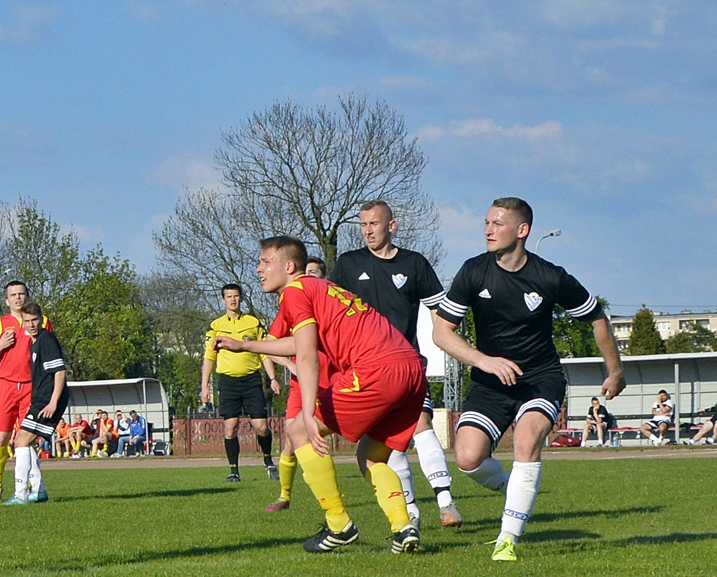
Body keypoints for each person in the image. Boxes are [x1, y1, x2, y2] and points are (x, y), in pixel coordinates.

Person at [432, 197, 625, 562]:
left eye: (498, 223)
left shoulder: (550, 276)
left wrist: (615, 372)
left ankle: (507, 540)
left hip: (540, 378)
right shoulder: (473, 271)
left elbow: (597, 318)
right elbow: (442, 332)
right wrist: (484, 361)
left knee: (526, 440)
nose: (488, 229)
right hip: (491, 382)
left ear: (522, 231)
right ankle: (515, 489)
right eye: (486, 222)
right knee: (468, 458)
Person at [217, 236, 426, 554]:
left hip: (377, 369)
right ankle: (403, 527)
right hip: (410, 370)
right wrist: (246, 345)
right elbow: (301, 343)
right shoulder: (319, 288)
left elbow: (307, 356)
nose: (258, 268)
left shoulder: (295, 292)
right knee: (371, 456)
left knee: (299, 429)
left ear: (288, 266)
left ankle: (339, 524)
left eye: (265, 261)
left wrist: (309, 416)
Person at [329, 199, 461, 528]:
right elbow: (331, 314)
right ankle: (411, 512)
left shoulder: (414, 264)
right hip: (364, 370)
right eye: (362, 225)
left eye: (374, 224)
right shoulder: (348, 264)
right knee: (389, 443)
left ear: (392, 225)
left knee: (421, 424)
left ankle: (446, 502)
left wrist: (452, 348)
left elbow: (439, 315)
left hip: (406, 366)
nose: (367, 231)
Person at [265, 256, 331, 513]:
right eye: (308, 272)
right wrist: (291, 366)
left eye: (316, 273)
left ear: (323, 278)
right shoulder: (291, 307)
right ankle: (284, 496)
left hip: (334, 381)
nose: (310, 278)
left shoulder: (330, 303)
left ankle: (331, 498)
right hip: (301, 384)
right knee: (292, 438)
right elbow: (270, 345)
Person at [201, 283, 281, 482]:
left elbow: (265, 351)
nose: (233, 300)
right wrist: (204, 386)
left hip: (251, 380)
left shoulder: (253, 323)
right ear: (223, 300)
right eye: (229, 297)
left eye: (236, 296)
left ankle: (268, 462)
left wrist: (273, 378)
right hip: (228, 382)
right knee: (230, 428)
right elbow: (209, 357)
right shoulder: (216, 326)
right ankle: (234, 471)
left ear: (240, 298)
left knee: (261, 426)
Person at [0, 280, 51, 503]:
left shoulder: (41, 322)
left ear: (27, 296)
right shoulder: (0, 325)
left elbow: (48, 353)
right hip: (6, 384)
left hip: (31, 386)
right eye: (13, 295)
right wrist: (1, 345)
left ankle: (34, 487)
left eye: (21, 294)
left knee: (26, 438)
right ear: (7, 300)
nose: (18, 298)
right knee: (1, 437)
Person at [4, 300, 69, 505]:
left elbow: (59, 371)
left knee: (20, 442)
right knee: (26, 442)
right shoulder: (34, 342)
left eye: (34, 320)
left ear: (42, 320)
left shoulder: (46, 338)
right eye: (27, 321)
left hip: (47, 399)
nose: (31, 324)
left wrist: (53, 402)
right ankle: (38, 490)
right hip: (41, 398)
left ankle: (21, 493)